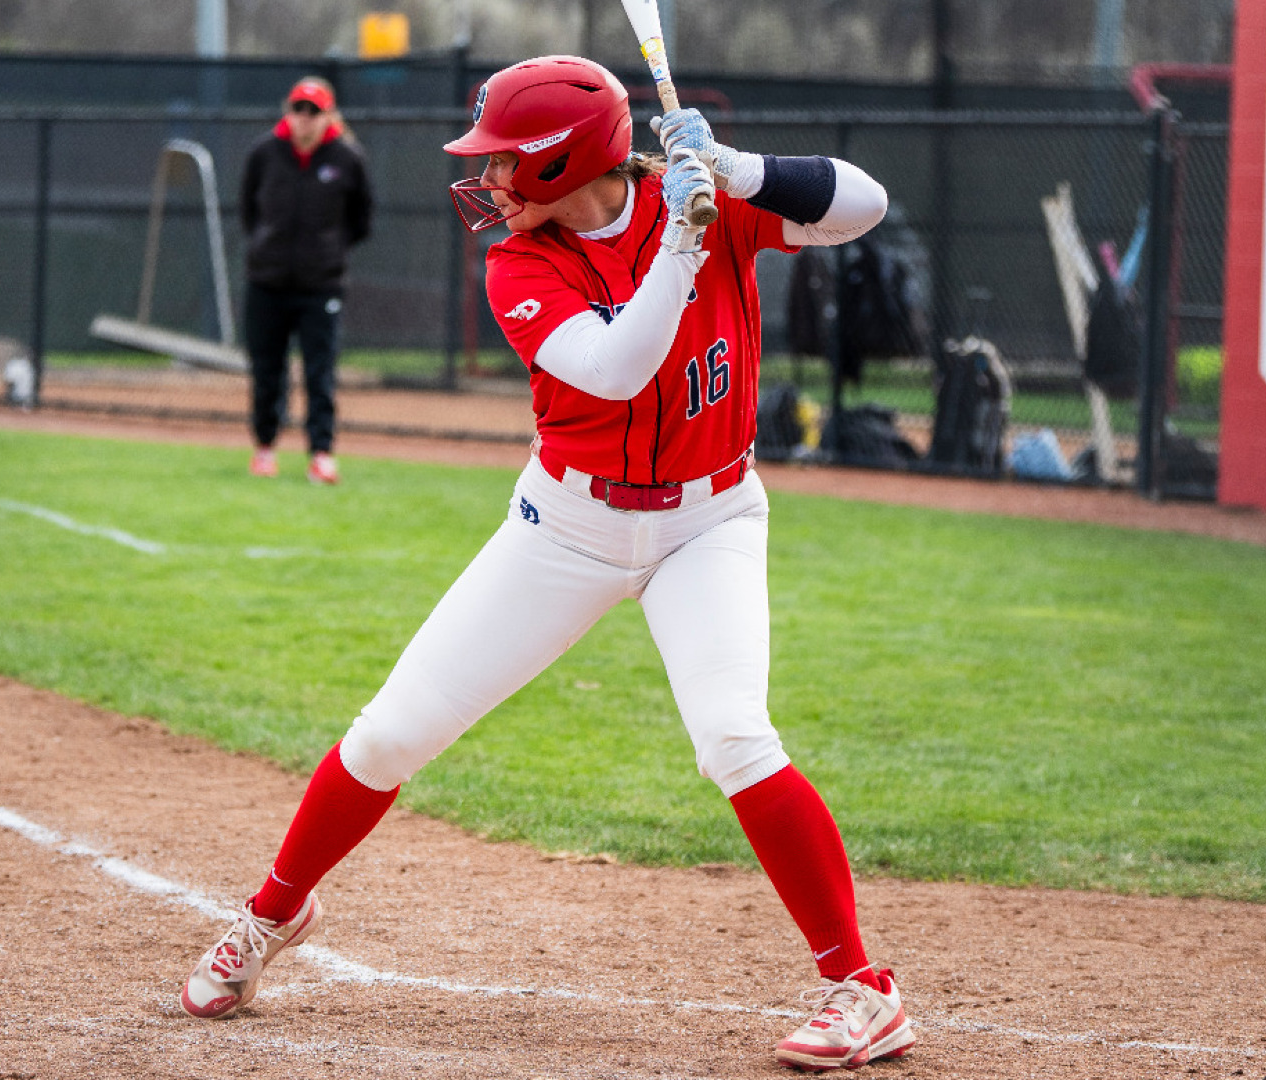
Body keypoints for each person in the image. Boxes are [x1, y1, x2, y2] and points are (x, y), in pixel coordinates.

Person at [179, 55, 912, 1071]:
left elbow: (863, 206)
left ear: (566, 162)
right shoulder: (521, 262)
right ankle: (270, 917)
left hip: (710, 523)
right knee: (391, 733)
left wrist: (735, 172)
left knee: (734, 735)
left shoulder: (698, 199)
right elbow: (615, 370)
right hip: (565, 525)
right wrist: (686, 242)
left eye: (505, 166)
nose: (488, 185)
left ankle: (862, 990)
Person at [239, 76, 373, 485]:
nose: (305, 118)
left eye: (314, 110)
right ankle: (265, 448)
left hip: (320, 286)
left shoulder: (347, 158)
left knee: (320, 372)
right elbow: (248, 210)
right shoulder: (264, 153)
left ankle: (321, 454)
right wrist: (268, 247)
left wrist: (327, 253)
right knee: (267, 370)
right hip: (267, 281)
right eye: (299, 108)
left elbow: (361, 221)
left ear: (328, 115)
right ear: (288, 111)